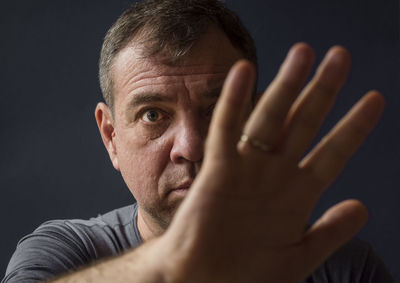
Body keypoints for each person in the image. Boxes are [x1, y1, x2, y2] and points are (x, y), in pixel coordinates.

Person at [2, 0, 395, 282]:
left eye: (218, 109)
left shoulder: (337, 266)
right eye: (153, 114)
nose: (190, 146)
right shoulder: (64, 253)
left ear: (258, 118)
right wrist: (177, 263)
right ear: (112, 137)